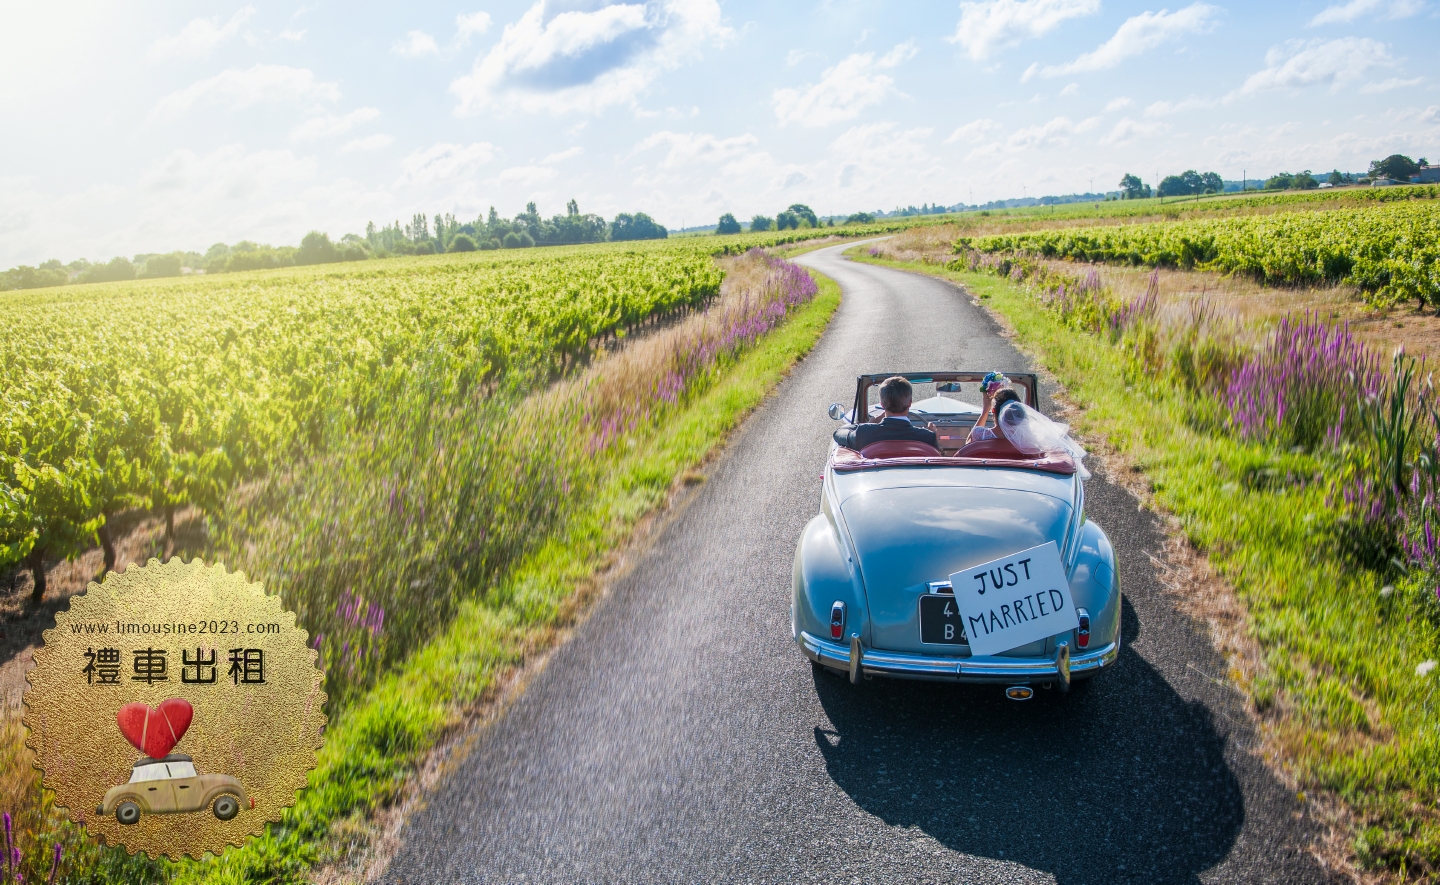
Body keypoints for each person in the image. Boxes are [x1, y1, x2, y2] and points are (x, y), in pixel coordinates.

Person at [833, 376, 939, 451]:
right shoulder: (927, 437)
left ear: (882, 404)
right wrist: (930, 433)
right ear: (910, 402)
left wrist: (867, 425)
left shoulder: (864, 433)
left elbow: (838, 433)